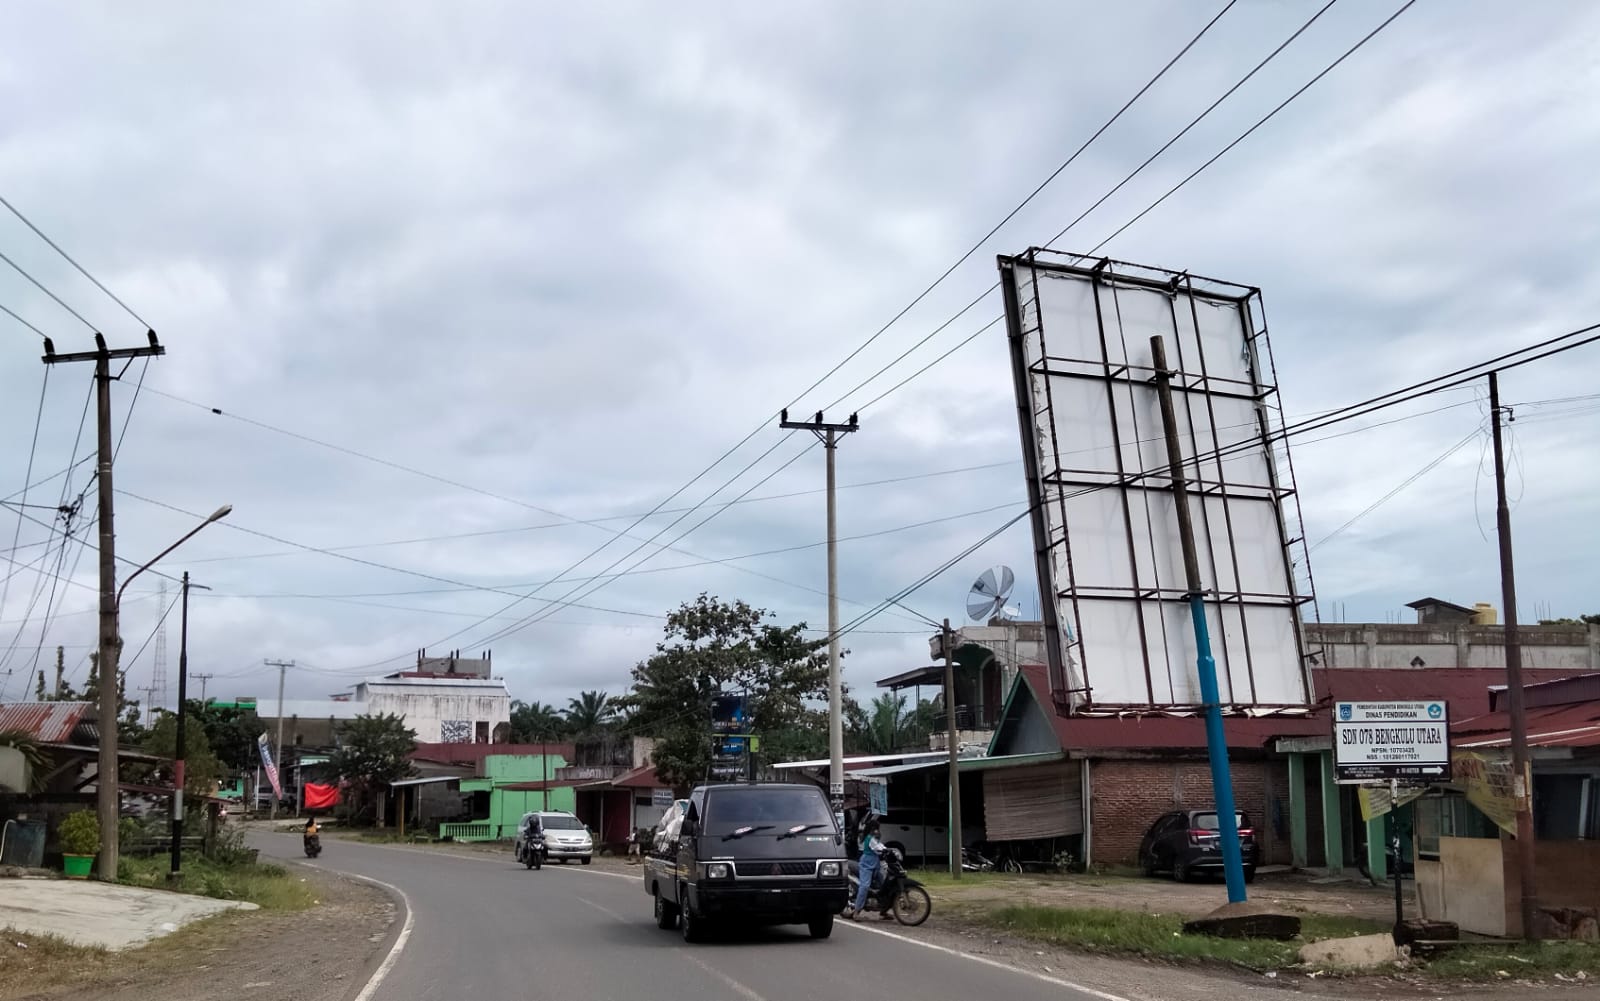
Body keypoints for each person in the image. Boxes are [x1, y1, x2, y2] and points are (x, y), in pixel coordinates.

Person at [846, 818, 890, 920]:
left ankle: (884, 911)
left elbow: (880, 845)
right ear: (872, 829)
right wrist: (885, 850)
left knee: (884, 886)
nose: (878, 831)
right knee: (864, 887)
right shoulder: (869, 838)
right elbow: (877, 847)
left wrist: (889, 850)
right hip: (866, 866)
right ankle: (856, 911)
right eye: (876, 829)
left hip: (875, 866)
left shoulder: (875, 838)